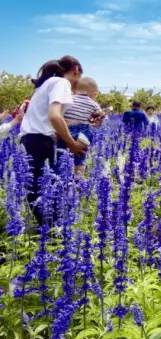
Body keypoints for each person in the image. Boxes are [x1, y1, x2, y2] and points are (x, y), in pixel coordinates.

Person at [20, 55, 86, 224]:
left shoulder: (44, 85)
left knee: (36, 189)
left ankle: (47, 232)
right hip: (40, 141)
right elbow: (55, 117)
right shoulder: (61, 82)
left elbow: (50, 118)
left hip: (30, 141)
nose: (79, 82)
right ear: (76, 70)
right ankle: (53, 234)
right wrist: (72, 143)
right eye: (80, 76)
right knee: (46, 189)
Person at [57, 77, 105, 176]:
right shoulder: (94, 104)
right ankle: (78, 181)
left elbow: (60, 116)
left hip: (65, 132)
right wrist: (99, 120)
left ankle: (61, 180)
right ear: (95, 93)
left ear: (74, 90)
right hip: (82, 135)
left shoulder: (68, 99)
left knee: (60, 157)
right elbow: (99, 120)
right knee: (79, 159)